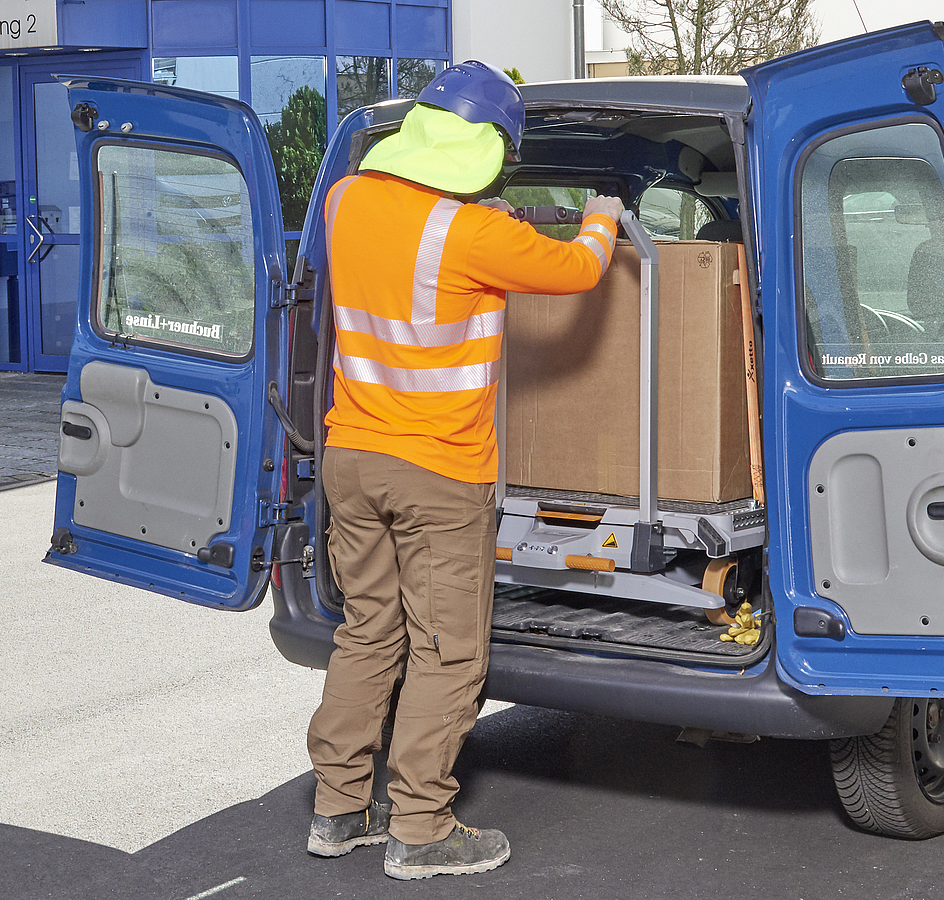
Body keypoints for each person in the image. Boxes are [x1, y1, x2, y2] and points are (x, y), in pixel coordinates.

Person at [304, 60, 624, 880]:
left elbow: (407, 242)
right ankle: (421, 827)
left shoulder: (345, 201)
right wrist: (602, 217)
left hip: (351, 459)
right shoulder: (478, 234)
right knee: (448, 653)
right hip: (438, 476)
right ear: (485, 150)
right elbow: (579, 271)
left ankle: (339, 810)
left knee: (367, 632)